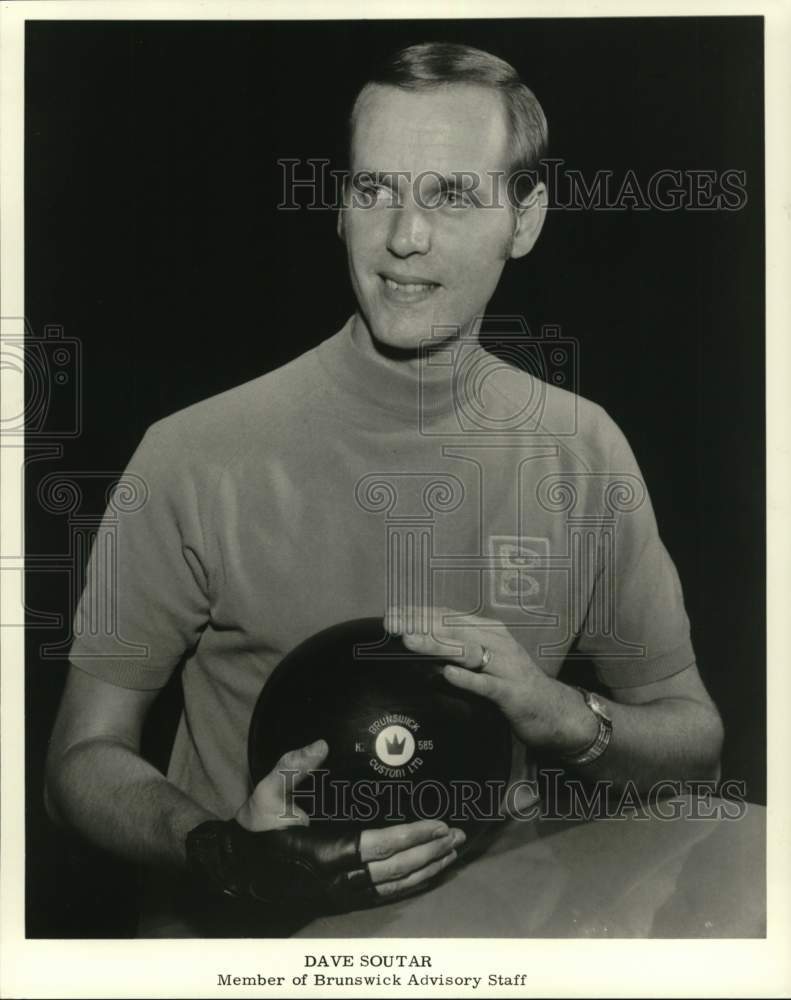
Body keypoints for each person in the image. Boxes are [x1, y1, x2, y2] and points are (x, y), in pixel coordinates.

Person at [45, 42, 723, 937]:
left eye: (449, 195)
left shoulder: (581, 449)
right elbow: (78, 763)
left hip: (497, 948)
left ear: (525, 219)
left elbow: (694, 748)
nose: (405, 235)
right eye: (374, 190)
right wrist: (218, 850)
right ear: (338, 206)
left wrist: (562, 717)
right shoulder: (192, 452)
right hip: (248, 956)